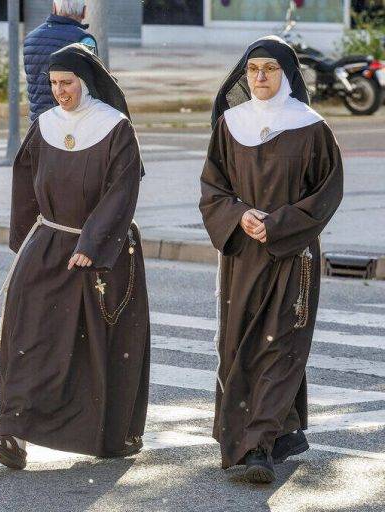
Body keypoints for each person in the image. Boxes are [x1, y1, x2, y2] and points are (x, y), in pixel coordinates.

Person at [0, 43, 150, 469]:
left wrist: (92, 244)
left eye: (66, 83)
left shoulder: (115, 127)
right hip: (49, 244)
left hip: (100, 254)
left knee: (96, 348)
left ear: (84, 82)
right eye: (53, 84)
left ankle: (106, 434)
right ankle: (13, 437)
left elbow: (122, 190)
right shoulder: (45, 125)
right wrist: (27, 243)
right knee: (27, 339)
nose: (59, 92)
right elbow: (24, 184)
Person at [200, 36, 343, 484]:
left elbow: (327, 192)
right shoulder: (230, 124)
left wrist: (278, 225)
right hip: (243, 255)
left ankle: (257, 447)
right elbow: (213, 188)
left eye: (270, 69)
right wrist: (239, 216)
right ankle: (282, 432)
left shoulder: (311, 127)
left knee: (280, 345)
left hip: (292, 255)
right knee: (240, 345)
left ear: (287, 74)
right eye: (253, 69)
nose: (260, 77)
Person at [23, 0, 98, 122]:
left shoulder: (30, 38)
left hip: (38, 122)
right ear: (84, 12)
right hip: (73, 121)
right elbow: (92, 84)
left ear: (54, 8)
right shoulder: (84, 39)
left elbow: (33, 80)